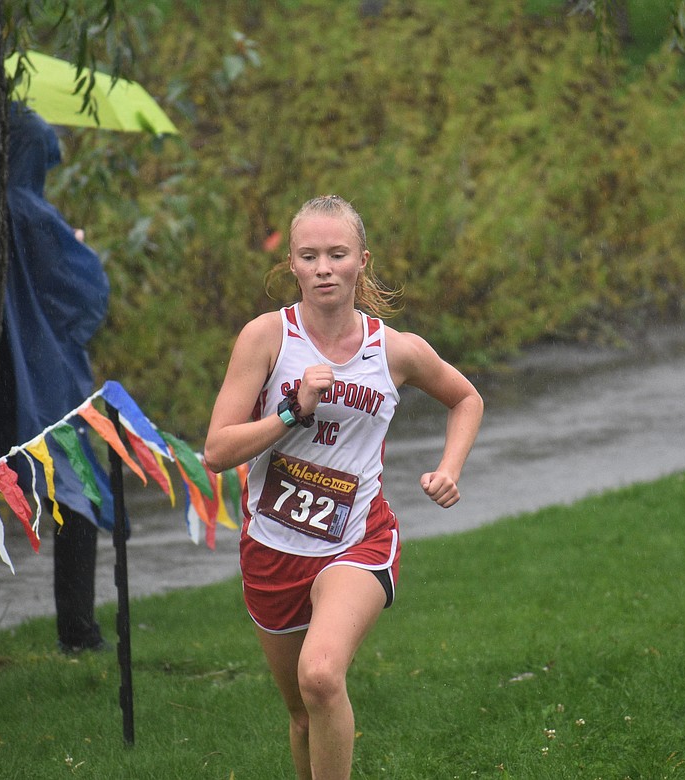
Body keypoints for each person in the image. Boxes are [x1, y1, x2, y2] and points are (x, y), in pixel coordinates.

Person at [203, 195, 483, 779]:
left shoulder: (396, 350)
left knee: (322, 676)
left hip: (358, 542)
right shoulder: (265, 339)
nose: (324, 267)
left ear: (362, 261)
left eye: (337, 254)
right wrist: (289, 412)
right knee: (303, 714)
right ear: (294, 268)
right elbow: (217, 451)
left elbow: (465, 398)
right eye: (310, 256)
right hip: (273, 548)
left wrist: (449, 468)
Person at [0, 103, 113, 653]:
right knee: (74, 490)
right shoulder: (31, 213)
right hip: (45, 380)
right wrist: (80, 248)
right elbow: (84, 297)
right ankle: (79, 632)